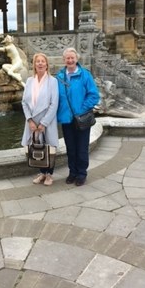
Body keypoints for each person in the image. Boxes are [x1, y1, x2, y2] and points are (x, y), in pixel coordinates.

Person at [56, 47, 100, 186]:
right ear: (64, 60)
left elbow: (94, 95)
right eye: (67, 58)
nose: (70, 60)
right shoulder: (59, 76)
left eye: (72, 58)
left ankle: (81, 173)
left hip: (81, 118)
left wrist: (81, 109)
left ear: (76, 59)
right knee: (70, 147)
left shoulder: (85, 75)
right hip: (66, 119)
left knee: (81, 147)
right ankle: (72, 172)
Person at [21, 53, 59, 186]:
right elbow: (24, 102)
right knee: (37, 146)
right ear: (34, 65)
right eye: (38, 61)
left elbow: (54, 103)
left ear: (47, 64)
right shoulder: (29, 81)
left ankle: (49, 175)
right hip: (32, 122)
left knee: (49, 146)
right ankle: (42, 172)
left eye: (43, 61)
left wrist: (43, 123)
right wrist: (30, 120)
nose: (40, 63)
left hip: (46, 121)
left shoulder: (52, 81)